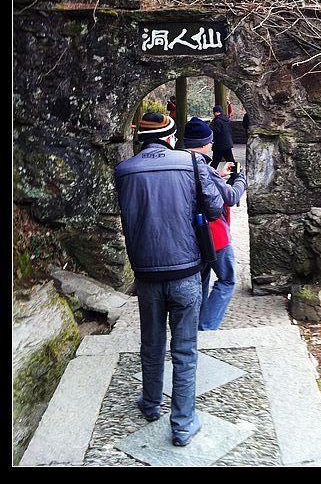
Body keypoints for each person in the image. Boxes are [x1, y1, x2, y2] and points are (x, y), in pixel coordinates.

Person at [114, 113, 224, 447]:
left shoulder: (124, 170)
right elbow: (215, 209)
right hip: (186, 270)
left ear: (142, 140)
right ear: (170, 138)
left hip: (146, 274)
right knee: (185, 350)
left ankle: (150, 404)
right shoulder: (190, 163)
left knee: (151, 343)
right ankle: (183, 424)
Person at [183, 119, 247, 330]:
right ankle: (207, 326)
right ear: (204, 143)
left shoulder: (180, 165)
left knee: (201, 279)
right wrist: (241, 180)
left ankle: (195, 323)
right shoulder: (204, 168)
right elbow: (230, 197)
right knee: (227, 279)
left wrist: (218, 175)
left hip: (190, 234)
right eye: (210, 141)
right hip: (214, 233)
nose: (212, 145)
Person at [210, 104, 235, 169]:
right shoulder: (226, 119)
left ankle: (209, 173)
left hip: (219, 144)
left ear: (216, 112)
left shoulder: (217, 120)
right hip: (227, 143)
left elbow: (217, 131)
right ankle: (236, 173)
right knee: (231, 161)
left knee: (215, 161)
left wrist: (211, 126)